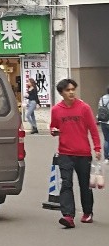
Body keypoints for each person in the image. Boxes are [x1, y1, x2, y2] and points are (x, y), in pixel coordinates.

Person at [50, 78, 102, 227]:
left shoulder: (84, 108)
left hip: (83, 153)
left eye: (73, 89)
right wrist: (54, 131)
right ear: (61, 93)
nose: (71, 92)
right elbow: (53, 127)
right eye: (68, 90)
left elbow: (93, 129)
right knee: (66, 183)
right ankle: (68, 216)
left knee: (85, 185)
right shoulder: (56, 110)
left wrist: (97, 148)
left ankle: (87, 212)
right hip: (65, 153)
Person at [97, 85, 109, 160]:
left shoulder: (102, 98)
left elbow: (99, 108)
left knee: (106, 139)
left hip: (103, 121)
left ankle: (106, 157)